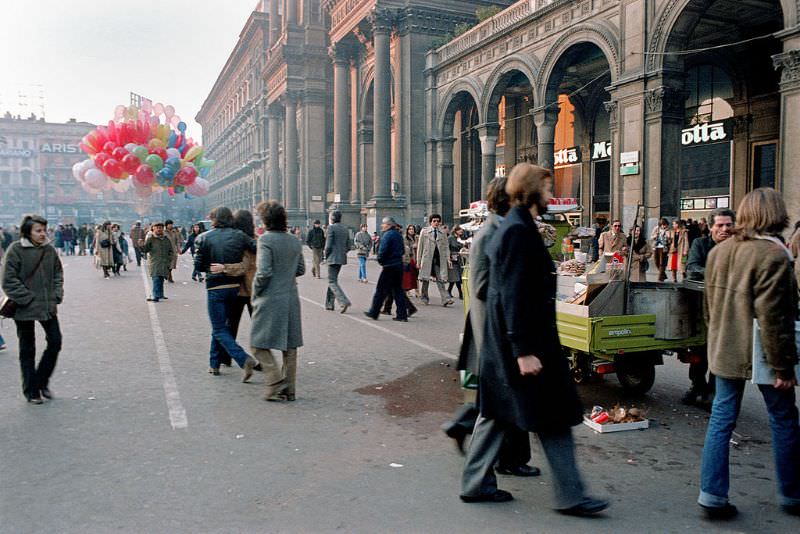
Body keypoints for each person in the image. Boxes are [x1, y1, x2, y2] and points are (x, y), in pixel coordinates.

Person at [460, 163, 608, 516]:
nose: (550, 195)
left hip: (515, 344)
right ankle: (571, 496)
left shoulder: (517, 227)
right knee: (552, 417)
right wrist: (523, 350)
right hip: (524, 345)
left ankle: (476, 483)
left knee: (500, 413)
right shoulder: (516, 231)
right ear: (531, 190)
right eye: (546, 187)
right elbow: (511, 295)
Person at [698, 188, 800, 519]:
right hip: (761, 354)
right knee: (783, 418)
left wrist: (716, 341)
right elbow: (776, 319)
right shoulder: (774, 255)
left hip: (725, 347)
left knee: (721, 418)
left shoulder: (720, 251)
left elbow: (709, 308)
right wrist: (784, 368)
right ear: (776, 214)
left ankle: (711, 495)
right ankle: (792, 493)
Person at [444, 175, 540, 477]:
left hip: (494, 325)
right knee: (506, 395)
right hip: (492, 327)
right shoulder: (493, 233)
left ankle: (466, 428)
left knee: (501, 395)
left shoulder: (499, 229)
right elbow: (484, 285)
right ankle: (508, 460)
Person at [1, 214, 63, 404]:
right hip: (24, 307)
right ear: (27, 232)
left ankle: (41, 381)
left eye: (44, 230)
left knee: (55, 342)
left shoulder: (49, 250)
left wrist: (57, 294)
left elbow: (58, 273)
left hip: (47, 306)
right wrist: (28, 298)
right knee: (27, 349)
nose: (42, 234)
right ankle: (31, 390)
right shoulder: (16, 250)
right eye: (38, 231)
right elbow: (8, 281)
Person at [194, 207, 258, 377]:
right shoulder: (240, 236)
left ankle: (243, 359)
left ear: (214, 219)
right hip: (234, 287)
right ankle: (214, 364)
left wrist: (214, 267)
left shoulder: (203, 237)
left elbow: (199, 266)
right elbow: (256, 247)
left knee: (219, 327)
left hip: (215, 287)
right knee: (221, 326)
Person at [250, 201, 305, 401]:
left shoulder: (265, 240)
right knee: (290, 347)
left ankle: (274, 380)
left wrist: (256, 292)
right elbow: (301, 270)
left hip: (270, 298)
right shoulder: (294, 240)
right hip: (291, 297)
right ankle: (289, 390)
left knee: (257, 344)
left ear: (266, 220)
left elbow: (263, 272)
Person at [682, 208, 735, 407]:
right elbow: (692, 267)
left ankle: (712, 391)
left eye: (728, 225)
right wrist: (720, 275)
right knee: (698, 352)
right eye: (719, 225)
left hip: (728, 311)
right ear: (711, 227)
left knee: (719, 353)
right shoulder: (701, 244)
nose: (724, 229)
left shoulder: (738, 248)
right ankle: (697, 385)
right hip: (701, 308)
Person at [364, 217, 408, 322]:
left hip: (389, 266)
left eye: (383, 224)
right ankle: (402, 314)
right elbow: (402, 250)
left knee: (381, 290)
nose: (381, 226)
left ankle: (374, 312)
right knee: (398, 290)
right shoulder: (398, 235)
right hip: (398, 265)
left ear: (388, 225)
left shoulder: (387, 235)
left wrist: (381, 261)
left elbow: (382, 251)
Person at [416, 214, 453, 307]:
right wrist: (418, 261)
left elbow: (446, 247)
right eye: (434, 221)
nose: (436, 223)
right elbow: (420, 247)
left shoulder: (443, 232)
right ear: (431, 222)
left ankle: (446, 299)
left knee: (440, 279)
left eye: (438, 221)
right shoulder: (424, 232)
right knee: (425, 279)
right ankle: (424, 298)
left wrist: (448, 259)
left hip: (438, 260)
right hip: (427, 259)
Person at [323, 210, 351, 314]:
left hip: (332, 257)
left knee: (331, 281)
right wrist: (342, 253)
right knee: (333, 280)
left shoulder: (331, 228)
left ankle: (343, 301)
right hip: (341, 258)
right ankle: (329, 304)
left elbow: (328, 245)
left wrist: (326, 256)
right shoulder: (345, 228)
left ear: (332, 218)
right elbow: (349, 245)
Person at [140, 222, 173, 303]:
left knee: (161, 278)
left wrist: (169, 259)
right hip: (155, 262)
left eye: (161, 228)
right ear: (153, 228)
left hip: (164, 262)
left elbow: (171, 250)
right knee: (156, 278)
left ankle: (160, 294)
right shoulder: (151, 239)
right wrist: (141, 245)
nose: (159, 229)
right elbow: (145, 249)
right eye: (157, 227)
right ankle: (155, 295)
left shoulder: (166, 239)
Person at [447, 225, 465, 299]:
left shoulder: (460, 238)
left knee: (456, 277)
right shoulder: (450, 238)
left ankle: (449, 290)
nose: (461, 231)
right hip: (452, 259)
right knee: (456, 276)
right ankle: (460, 293)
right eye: (460, 230)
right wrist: (449, 257)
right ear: (456, 230)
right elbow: (447, 248)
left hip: (460, 259)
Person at [651, 218, 671, 282]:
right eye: (662, 225)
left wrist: (668, 237)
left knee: (662, 263)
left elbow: (670, 241)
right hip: (656, 247)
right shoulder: (656, 228)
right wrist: (655, 236)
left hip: (664, 248)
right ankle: (663, 274)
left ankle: (660, 277)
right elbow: (651, 237)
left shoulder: (668, 230)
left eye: (665, 225)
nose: (664, 226)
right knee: (656, 261)